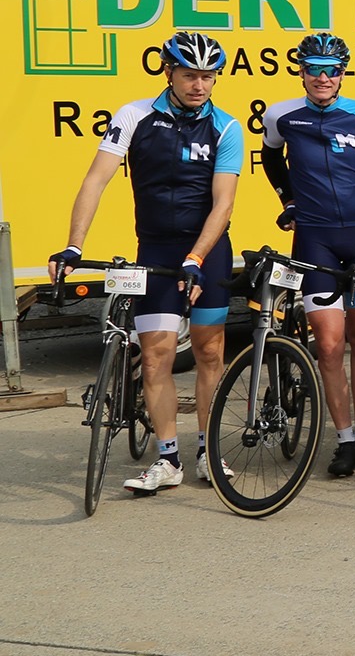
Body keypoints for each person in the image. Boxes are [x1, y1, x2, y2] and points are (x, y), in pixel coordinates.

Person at [49, 33, 240, 495]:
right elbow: (95, 181)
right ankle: (168, 459)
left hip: (208, 251)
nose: (199, 85)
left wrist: (196, 257)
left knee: (209, 352)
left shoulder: (227, 127)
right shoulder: (134, 116)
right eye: (189, 75)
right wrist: (73, 246)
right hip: (155, 250)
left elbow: (223, 204)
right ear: (168, 72)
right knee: (155, 356)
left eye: (208, 77)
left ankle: (208, 450)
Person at [261, 33, 355, 478]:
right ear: (302, 72)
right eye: (314, 69)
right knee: (328, 344)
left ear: (343, 73)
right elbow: (271, 160)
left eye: (332, 70)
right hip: (316, 240)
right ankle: (344, 439)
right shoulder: (281, 115)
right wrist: (288, 200)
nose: (323, 78)